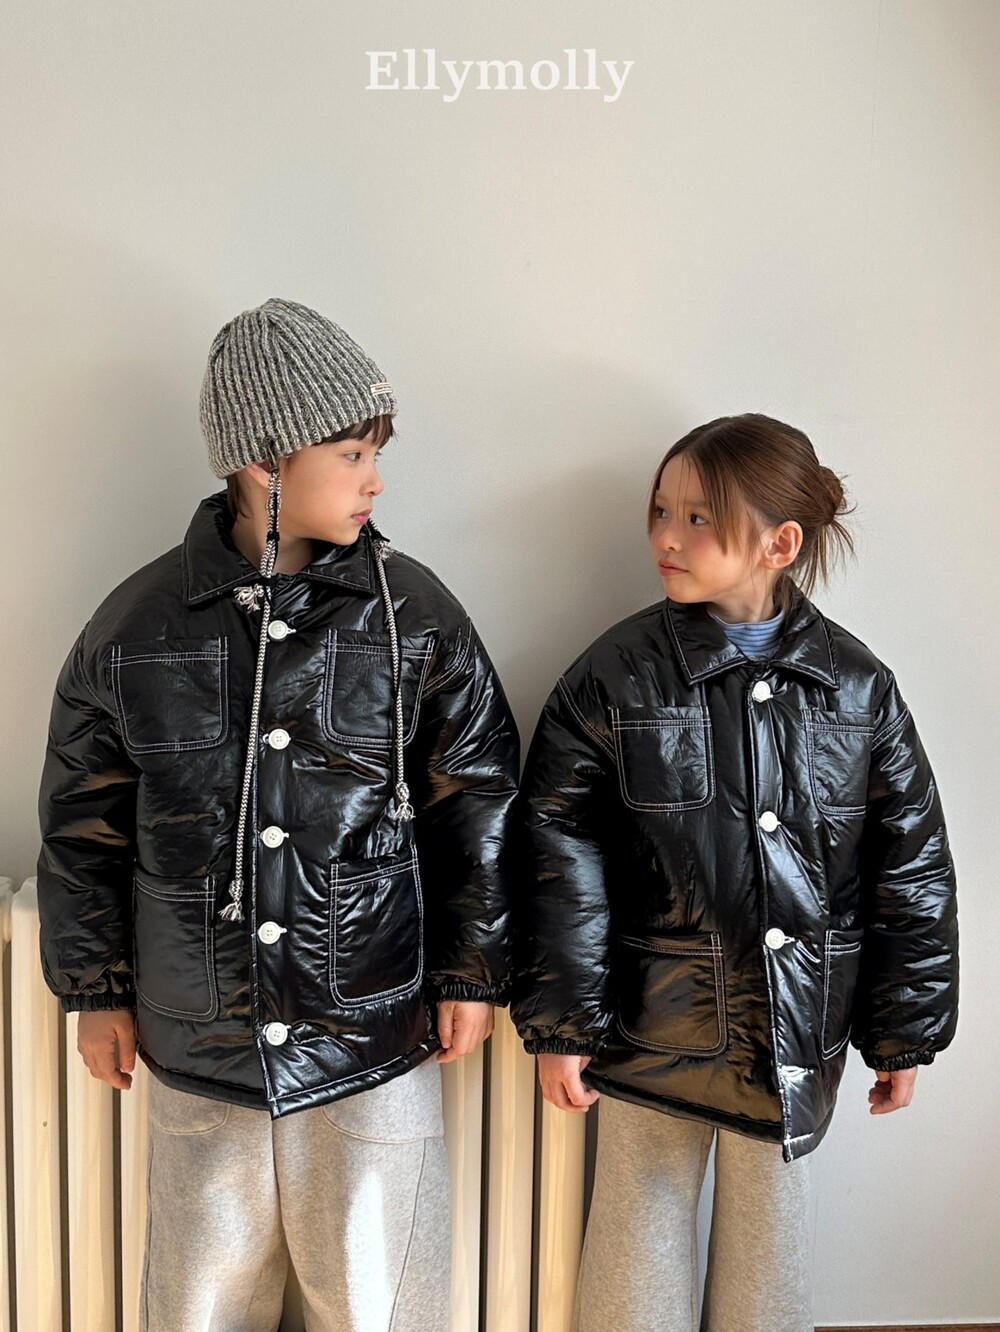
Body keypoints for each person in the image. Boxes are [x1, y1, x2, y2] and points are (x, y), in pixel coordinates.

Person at [36, 296, 519, 1332]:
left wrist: (472, 969)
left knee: (381, 1295)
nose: (375, 479)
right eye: (351, 453)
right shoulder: (136, 628)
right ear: (264, 462)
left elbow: (473, 797)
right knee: (199, 1300)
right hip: (198, 1033)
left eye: (375, 453)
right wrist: (96, 990)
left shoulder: (415, 616)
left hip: (370, 1025)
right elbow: (83, 825)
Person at [511, 413, 958, 1332]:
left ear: (779, 544)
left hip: (796, 1022)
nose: (667, 537)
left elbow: (910, 864)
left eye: (699, 518)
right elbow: (558, 853)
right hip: (651, 1018)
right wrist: (563, 1022)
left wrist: (903, 1034)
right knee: (638, 1223)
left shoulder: (856, 687)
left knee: (770, 1242)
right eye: (660, 511)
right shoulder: (616, 676)